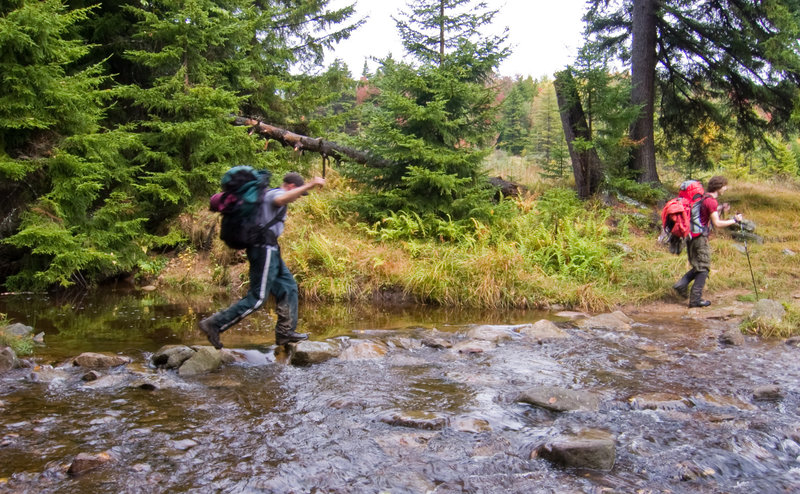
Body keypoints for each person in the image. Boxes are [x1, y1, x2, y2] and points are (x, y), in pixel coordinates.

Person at [199, 172, 325, 348]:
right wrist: (311, 184)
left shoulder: (274, 195)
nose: (298, 198)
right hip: (263, 249)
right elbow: (281, 200)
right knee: (258, 298)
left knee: (288, 287)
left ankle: (285, 333)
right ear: (290, 186)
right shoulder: (275, 194)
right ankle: (214, 324)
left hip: (271, 250)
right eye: (298, 193)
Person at [672, 175, 743, 308]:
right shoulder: (711, 201)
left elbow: (705, 213)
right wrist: (735, 220)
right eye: (725, 186)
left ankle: (681, 285)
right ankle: (695, 300)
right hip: (700, 238)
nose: (726, 188)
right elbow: (717, 223)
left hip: (691, 236)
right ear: (719, 187)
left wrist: (721, 208)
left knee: (699, 266)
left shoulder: (703, 198)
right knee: (704, 268)